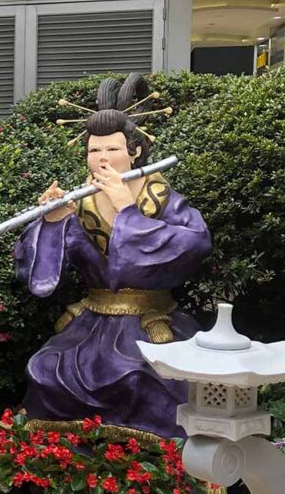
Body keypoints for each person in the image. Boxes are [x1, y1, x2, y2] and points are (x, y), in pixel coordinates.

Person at [14, 73, 212, 442]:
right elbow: (46, 267)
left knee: (147, 379)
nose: (102, 158)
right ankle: (59, 461)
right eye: (94, 150)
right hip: (92, 322)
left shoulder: (163, 196)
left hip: (149, 322)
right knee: (46, 369)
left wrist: (127, 211)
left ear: (135, 151)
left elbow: (193, 245)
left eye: (112, 149)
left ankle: (163, 470)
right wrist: (55, 222)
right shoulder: (82, 199)